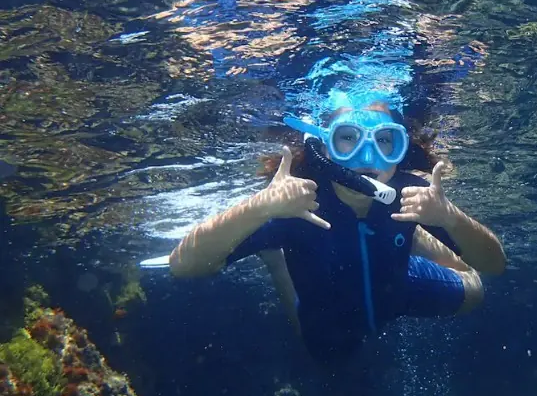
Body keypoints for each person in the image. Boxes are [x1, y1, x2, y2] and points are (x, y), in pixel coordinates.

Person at [167, 89, 506, 366]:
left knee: (475, 292)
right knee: (326, 355)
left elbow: (494, 266)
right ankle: (275, 259)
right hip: (324, 316)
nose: (367, 157)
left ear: (399, 150)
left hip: (397, 294)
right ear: (324, 147)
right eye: (348, 139)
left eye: (385, 141)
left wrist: (450, 218)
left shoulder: (413, 195)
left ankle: (413, 234)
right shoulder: (294, 206)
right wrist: (260, 207)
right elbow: (182, 266)